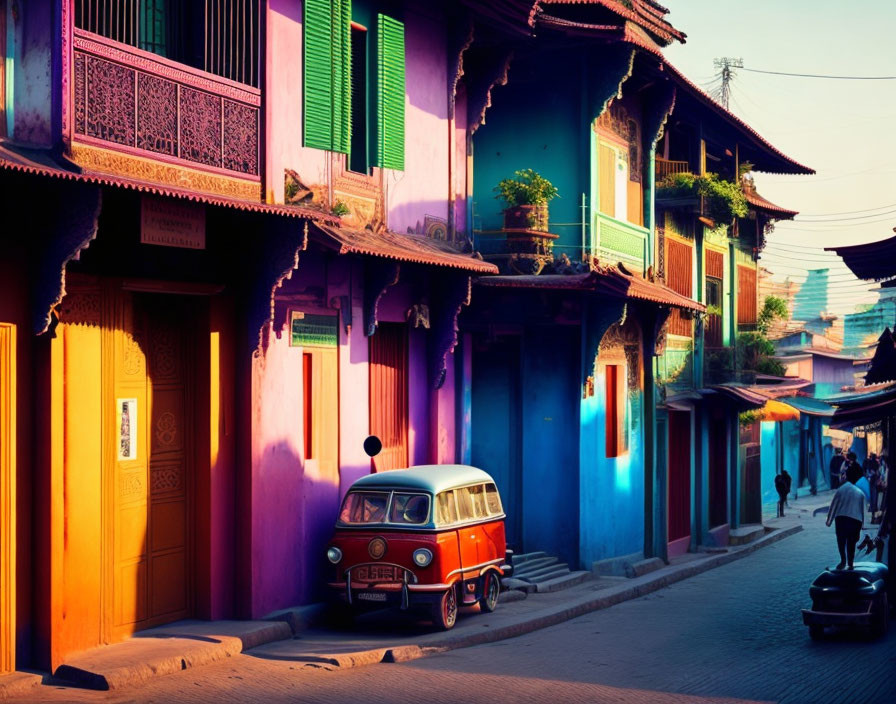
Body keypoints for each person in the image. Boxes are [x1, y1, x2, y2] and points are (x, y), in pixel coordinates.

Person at [826, 462, 866, 570]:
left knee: (841, 540)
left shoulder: (841, 490)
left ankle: (843, 560)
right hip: (855, 520)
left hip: (841, 519)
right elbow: (863, 511)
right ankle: (850, 562)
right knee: (851, 542)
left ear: (846, 476)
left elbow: (833, 506)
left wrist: (829, 521)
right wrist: (863, 525)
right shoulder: (860, 493)